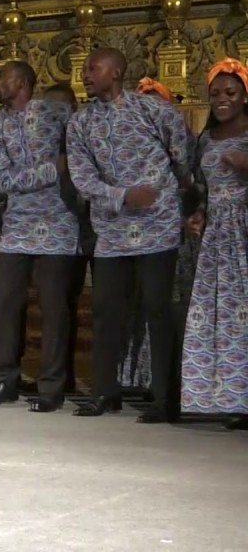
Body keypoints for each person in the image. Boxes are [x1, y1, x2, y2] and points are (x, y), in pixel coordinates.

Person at [67, 48, 193, 423]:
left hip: (158, 224)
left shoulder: (152, 110)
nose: (86, 74)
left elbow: (182, 154)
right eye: (86, 69)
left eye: (93, 67)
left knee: (158, 309)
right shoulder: (80, 123)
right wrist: (122, 196)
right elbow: (82, 177)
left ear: (116, 71)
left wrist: (173, 192)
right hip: (112, 229)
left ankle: (165, 397)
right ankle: (106, 391)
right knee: (106, 310)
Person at [0, 61, 78, 412]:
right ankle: (6, 379)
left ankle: (52, 386)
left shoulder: (58, 113)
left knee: (53, 308)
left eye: (1, 76)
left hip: (59, 221)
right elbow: (3, 180)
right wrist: (53, 169)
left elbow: (78, 159)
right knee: (6, 304)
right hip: (17, 224)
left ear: (21, 82)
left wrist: (63, 174)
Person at [181, 58, 248, 430]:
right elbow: (201, 187)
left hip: (245, 226)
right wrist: (199, 213)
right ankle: (232, 397)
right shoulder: (205, 138)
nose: (222, 99)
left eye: (231, 92)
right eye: (215, 94)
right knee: (222, 314)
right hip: (217, 236)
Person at [44, 82, 92, 396]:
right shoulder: (39, 141)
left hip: (91, 229)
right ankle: (62, 377)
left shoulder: (86, 135)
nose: (57, 116)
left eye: (62, 109)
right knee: (60, 305)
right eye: (50, 110)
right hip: (54, 236)